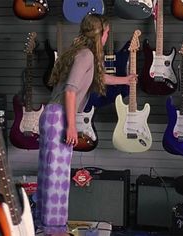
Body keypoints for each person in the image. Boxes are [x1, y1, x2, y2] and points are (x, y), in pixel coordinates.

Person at [35, 13, 137, 236]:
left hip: (53, 116)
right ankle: (54, 230)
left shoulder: (82, 54)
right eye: (107, 32)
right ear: (101, 33)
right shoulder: (86, 55)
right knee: (57, 178)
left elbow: (97, 77)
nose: (108, 35)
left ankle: (46, 225)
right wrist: (72, 126)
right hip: (60, 118)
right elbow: (71, 90)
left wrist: (125, 80)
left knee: (49, 173)